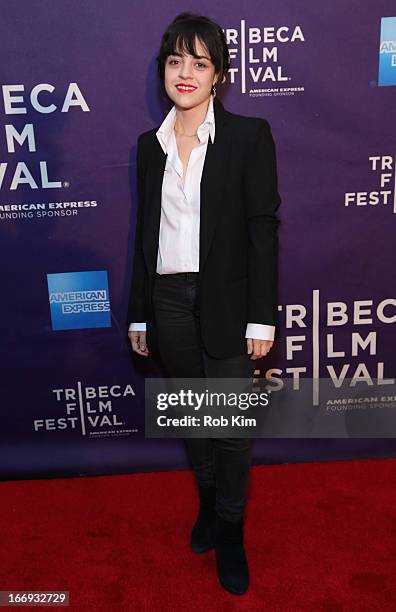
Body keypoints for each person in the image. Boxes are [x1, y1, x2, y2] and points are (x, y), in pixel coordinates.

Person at [127, 12, 281, 596]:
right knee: (196, 420)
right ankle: (211, 506)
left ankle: (233, 531)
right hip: (167, 301)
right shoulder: (150, 147)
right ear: (163, 70)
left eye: (199, 62)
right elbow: (147, 235)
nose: (185, 73)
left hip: (229, 303)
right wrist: (140, 310)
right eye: (175, 61)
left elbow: (262, 230)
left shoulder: (248, 136)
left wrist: (262, 315)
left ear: (218, 75)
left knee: (233, 429)